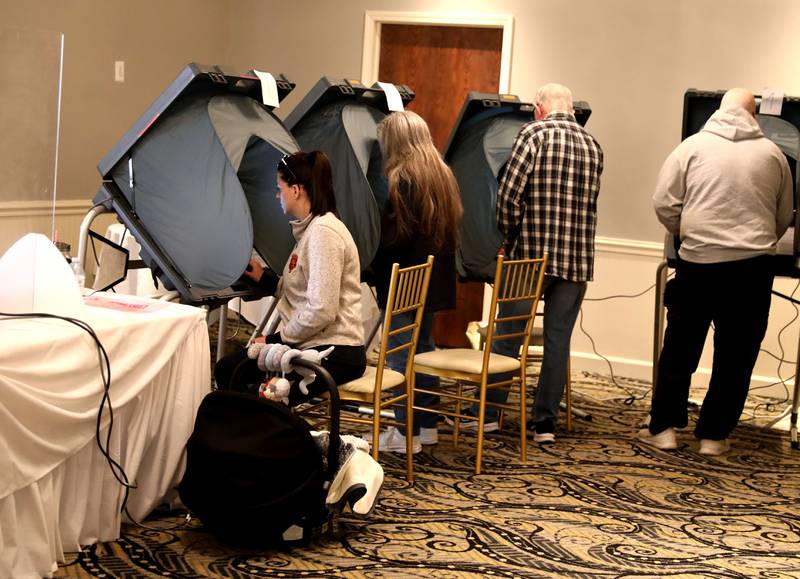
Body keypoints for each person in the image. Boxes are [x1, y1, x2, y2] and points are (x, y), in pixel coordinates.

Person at [641, 88, 793, 455]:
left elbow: (664, 202)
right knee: (736, 356)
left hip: (699, 263)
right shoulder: (773, 155)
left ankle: (664, 429)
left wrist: (685, 231)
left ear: (717, 112)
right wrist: (758, 242)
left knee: (680, 348)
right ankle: (713, 436)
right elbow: (784, 214)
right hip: (752, 269)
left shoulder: (691, 148)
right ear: (754, 116)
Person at [467, 83, 603, 444]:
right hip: (575, 261)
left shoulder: (533, 134)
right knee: (558, 341)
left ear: (538, 109)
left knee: (507, 336)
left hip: (529, 256)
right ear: (572, 110)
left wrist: (508, 238)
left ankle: (488, 414)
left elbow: (509, 195)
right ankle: (544, 424)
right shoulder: (593, 145)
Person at [214, 151, 366, 405]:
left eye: (279, 188)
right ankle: (247, 438)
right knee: (229, 369)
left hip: (334, 352)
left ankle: (279, 440)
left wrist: (277, 339)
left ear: (296, 190)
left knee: (250, 396)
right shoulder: (313, 229)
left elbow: (321, 309)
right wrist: (265, 279)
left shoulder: (323, 234)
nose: (277, 195)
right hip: (316, 344)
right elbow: (303, 289)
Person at [365, 110, 463, 454]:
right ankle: (426, 426)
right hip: (432, 281)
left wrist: (368, 253)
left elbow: (396, 239)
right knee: (423, 350)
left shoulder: (402, 178)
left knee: (398, 359)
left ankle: (405, 434)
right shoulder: (442, 174)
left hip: (404, 282)